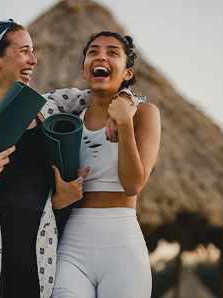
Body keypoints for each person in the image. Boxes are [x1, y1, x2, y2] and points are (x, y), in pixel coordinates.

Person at [0, 19, 143, 298]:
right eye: (24, 51)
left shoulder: (48, 107)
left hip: (37, 255)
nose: (34, 59)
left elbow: (102, 93)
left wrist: (128, 97)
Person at [52, 31, 161, 298]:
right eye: (93, 52)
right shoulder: (69, 120)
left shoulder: (145, 114)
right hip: (72, 246)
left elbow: (133, 184)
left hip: (122, 246)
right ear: (83, 71)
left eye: (113, 52)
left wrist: (124, 122)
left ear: (127, 73)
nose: (101, 56)